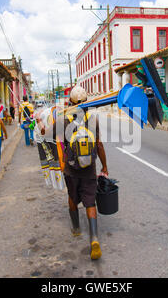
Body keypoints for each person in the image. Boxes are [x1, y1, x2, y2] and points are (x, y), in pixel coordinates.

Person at [41, 86, 108, 260]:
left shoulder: (63, 120)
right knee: (90, 201)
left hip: (71, 169)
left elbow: (47, 135)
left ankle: (77, 228)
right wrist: (105, 166)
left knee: (72, 197)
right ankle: (94, 238)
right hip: (90, 168)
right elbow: (99, 145)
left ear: (70, 102)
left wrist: (41, 127)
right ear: (87, 102)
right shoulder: (92, 120)